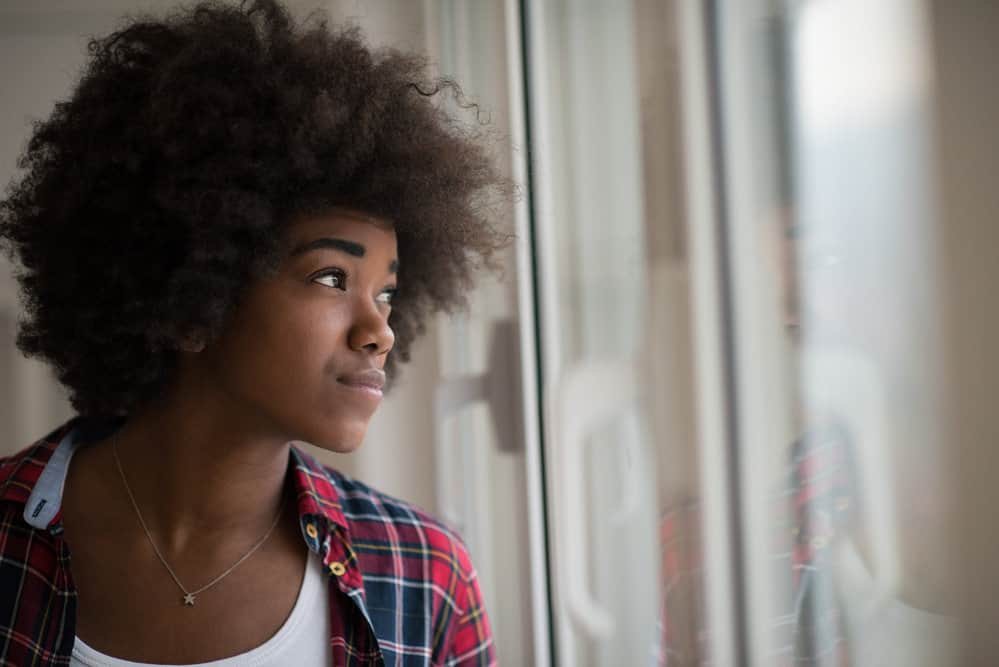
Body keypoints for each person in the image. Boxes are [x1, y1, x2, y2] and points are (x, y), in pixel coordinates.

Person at [0, 1, 508, 664]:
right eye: (331, 277)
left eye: (387, 292)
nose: (378, 329)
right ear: (189, 291)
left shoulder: (425, 575)